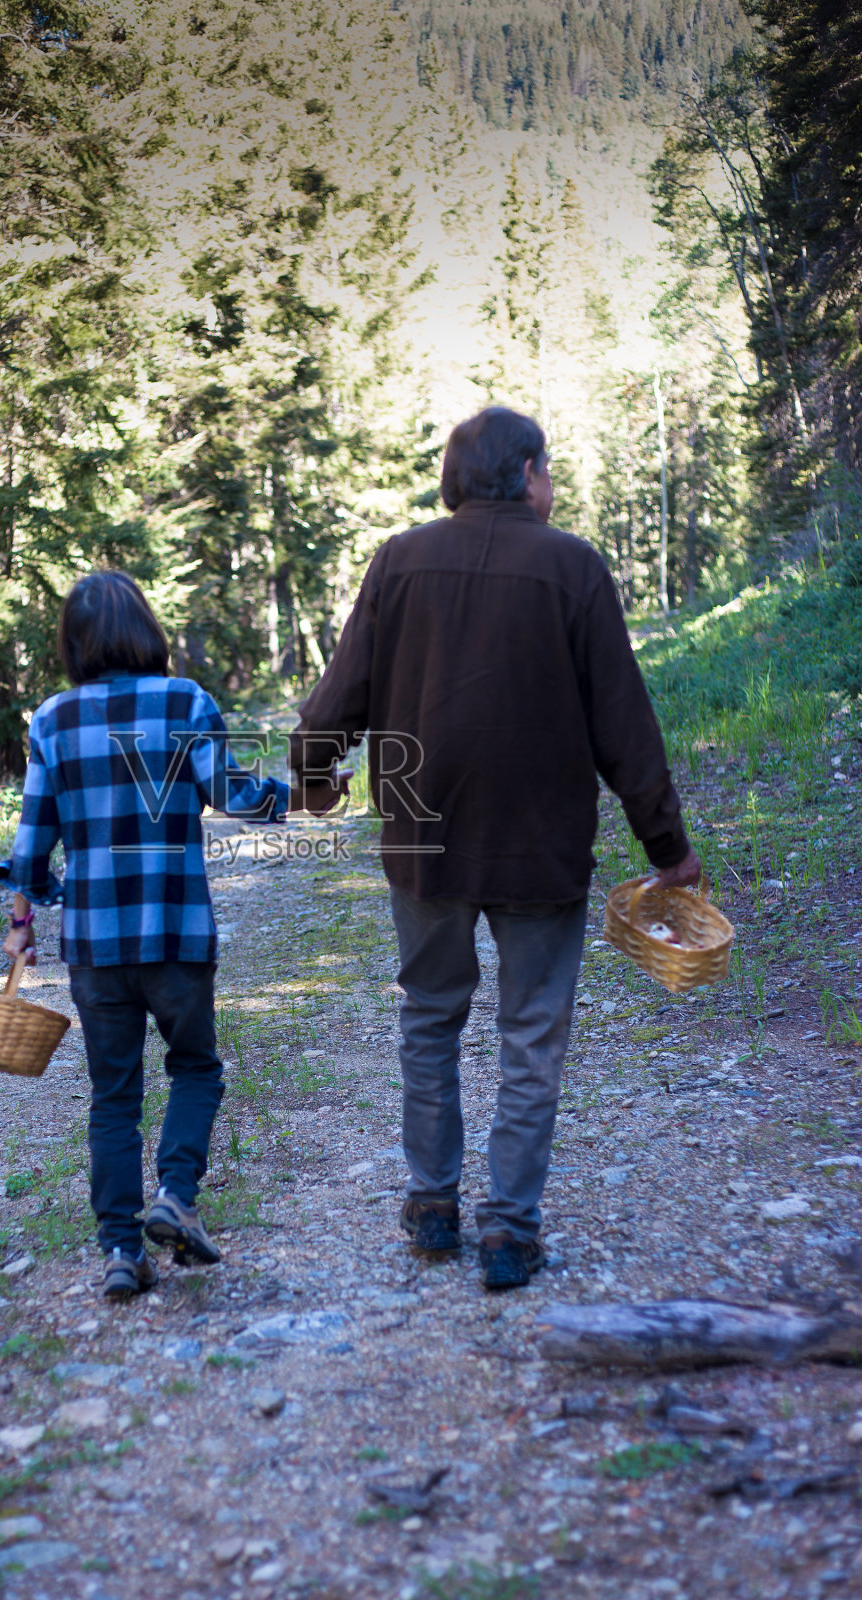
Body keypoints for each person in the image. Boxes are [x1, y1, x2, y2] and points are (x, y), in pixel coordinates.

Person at [290, 406, 701, 1291]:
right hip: (538, 844)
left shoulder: (399, 561)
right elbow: (624, 723)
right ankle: (510, 1231)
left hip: (423, 839)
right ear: (524, 475)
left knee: (430, 1017)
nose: (552, 485)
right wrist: (667, 846)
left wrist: (313, 776)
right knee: (532, 1034)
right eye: (548, 470)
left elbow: (338, 695)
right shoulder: (573, 566)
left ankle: (433, 1206)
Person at [0, 571, 293, 1300]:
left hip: (95, 945)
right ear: (147, 632)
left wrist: (23, 921)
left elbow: (32, 845)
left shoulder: (52, 720)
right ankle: (176, 1197)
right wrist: (294, 795)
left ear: (73, 644)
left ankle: (121, 1253)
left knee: (113, 1097)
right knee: (195, 1068)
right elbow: (232, 795)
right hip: (176, 932)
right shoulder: (184, 702)